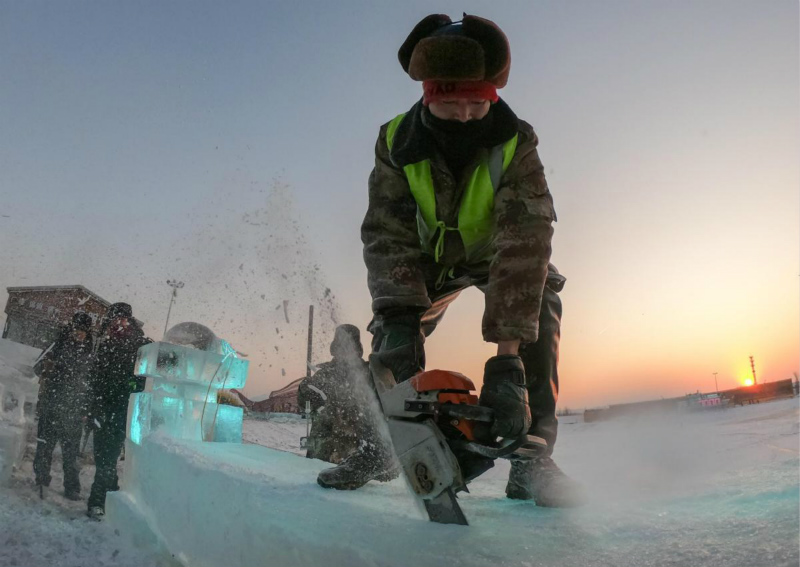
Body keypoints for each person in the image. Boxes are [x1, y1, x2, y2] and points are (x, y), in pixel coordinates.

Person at [322, 14, 584, 507]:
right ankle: (386, 445)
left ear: (493, 96)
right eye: (449, 103)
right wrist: (400, 316)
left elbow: (525, 240)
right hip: (426, 261)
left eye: (476, 103)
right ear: (427, 96)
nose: (464, 114)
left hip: (497, 258)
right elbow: (387, 230)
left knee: (540, 310)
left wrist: (506, 363)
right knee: (389, 345)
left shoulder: (517, 142)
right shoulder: (396, 140)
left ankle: (532, 461)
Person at [85, 302, 150, 519]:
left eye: (122, 319)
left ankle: (96, 502)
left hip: (121, 411)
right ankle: (113, 497)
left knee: (107, 460)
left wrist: (130, 387)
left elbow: (143, 379)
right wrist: (92, 407)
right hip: (101, 410)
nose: (118, 323)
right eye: (115, 319)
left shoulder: (140, 345)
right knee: (103, 458)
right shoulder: (106, 343)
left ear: (129, 320)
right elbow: (95, 378)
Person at [32, 312, 95, 500]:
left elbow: (91, 384)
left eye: (83, 330)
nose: (80, 333)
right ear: (71, 328)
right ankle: (41, 478)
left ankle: (72, 487)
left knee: (71, 453)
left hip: (73, 410)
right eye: (77, 329)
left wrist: (87, 408)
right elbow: (36, 368)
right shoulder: (56, 346)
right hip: (51, 404)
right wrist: (46, 366)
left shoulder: (90, 352)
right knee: (44, 447)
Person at [297, 325, 368, 465]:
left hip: (349, 455)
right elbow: (305, 404)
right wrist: (304, 389)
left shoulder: (366, 374)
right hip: (324, 454)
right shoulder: (325, 373)